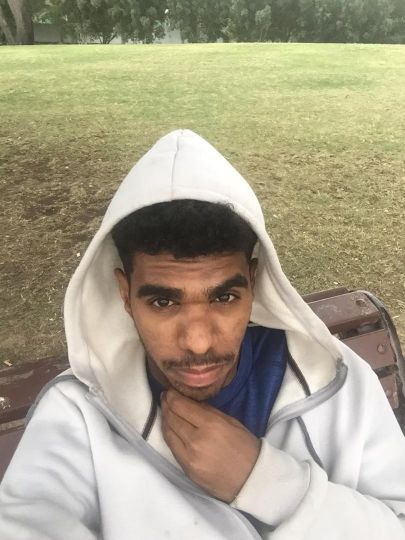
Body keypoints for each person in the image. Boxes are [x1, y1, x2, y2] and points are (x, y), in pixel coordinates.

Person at [0, 129, 404, 540]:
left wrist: (268, 483)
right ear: (125, 294)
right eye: (163, 302)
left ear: (253, 282)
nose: (198, 342)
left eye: (224, 297)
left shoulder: (338, 381)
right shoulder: (77, 416)